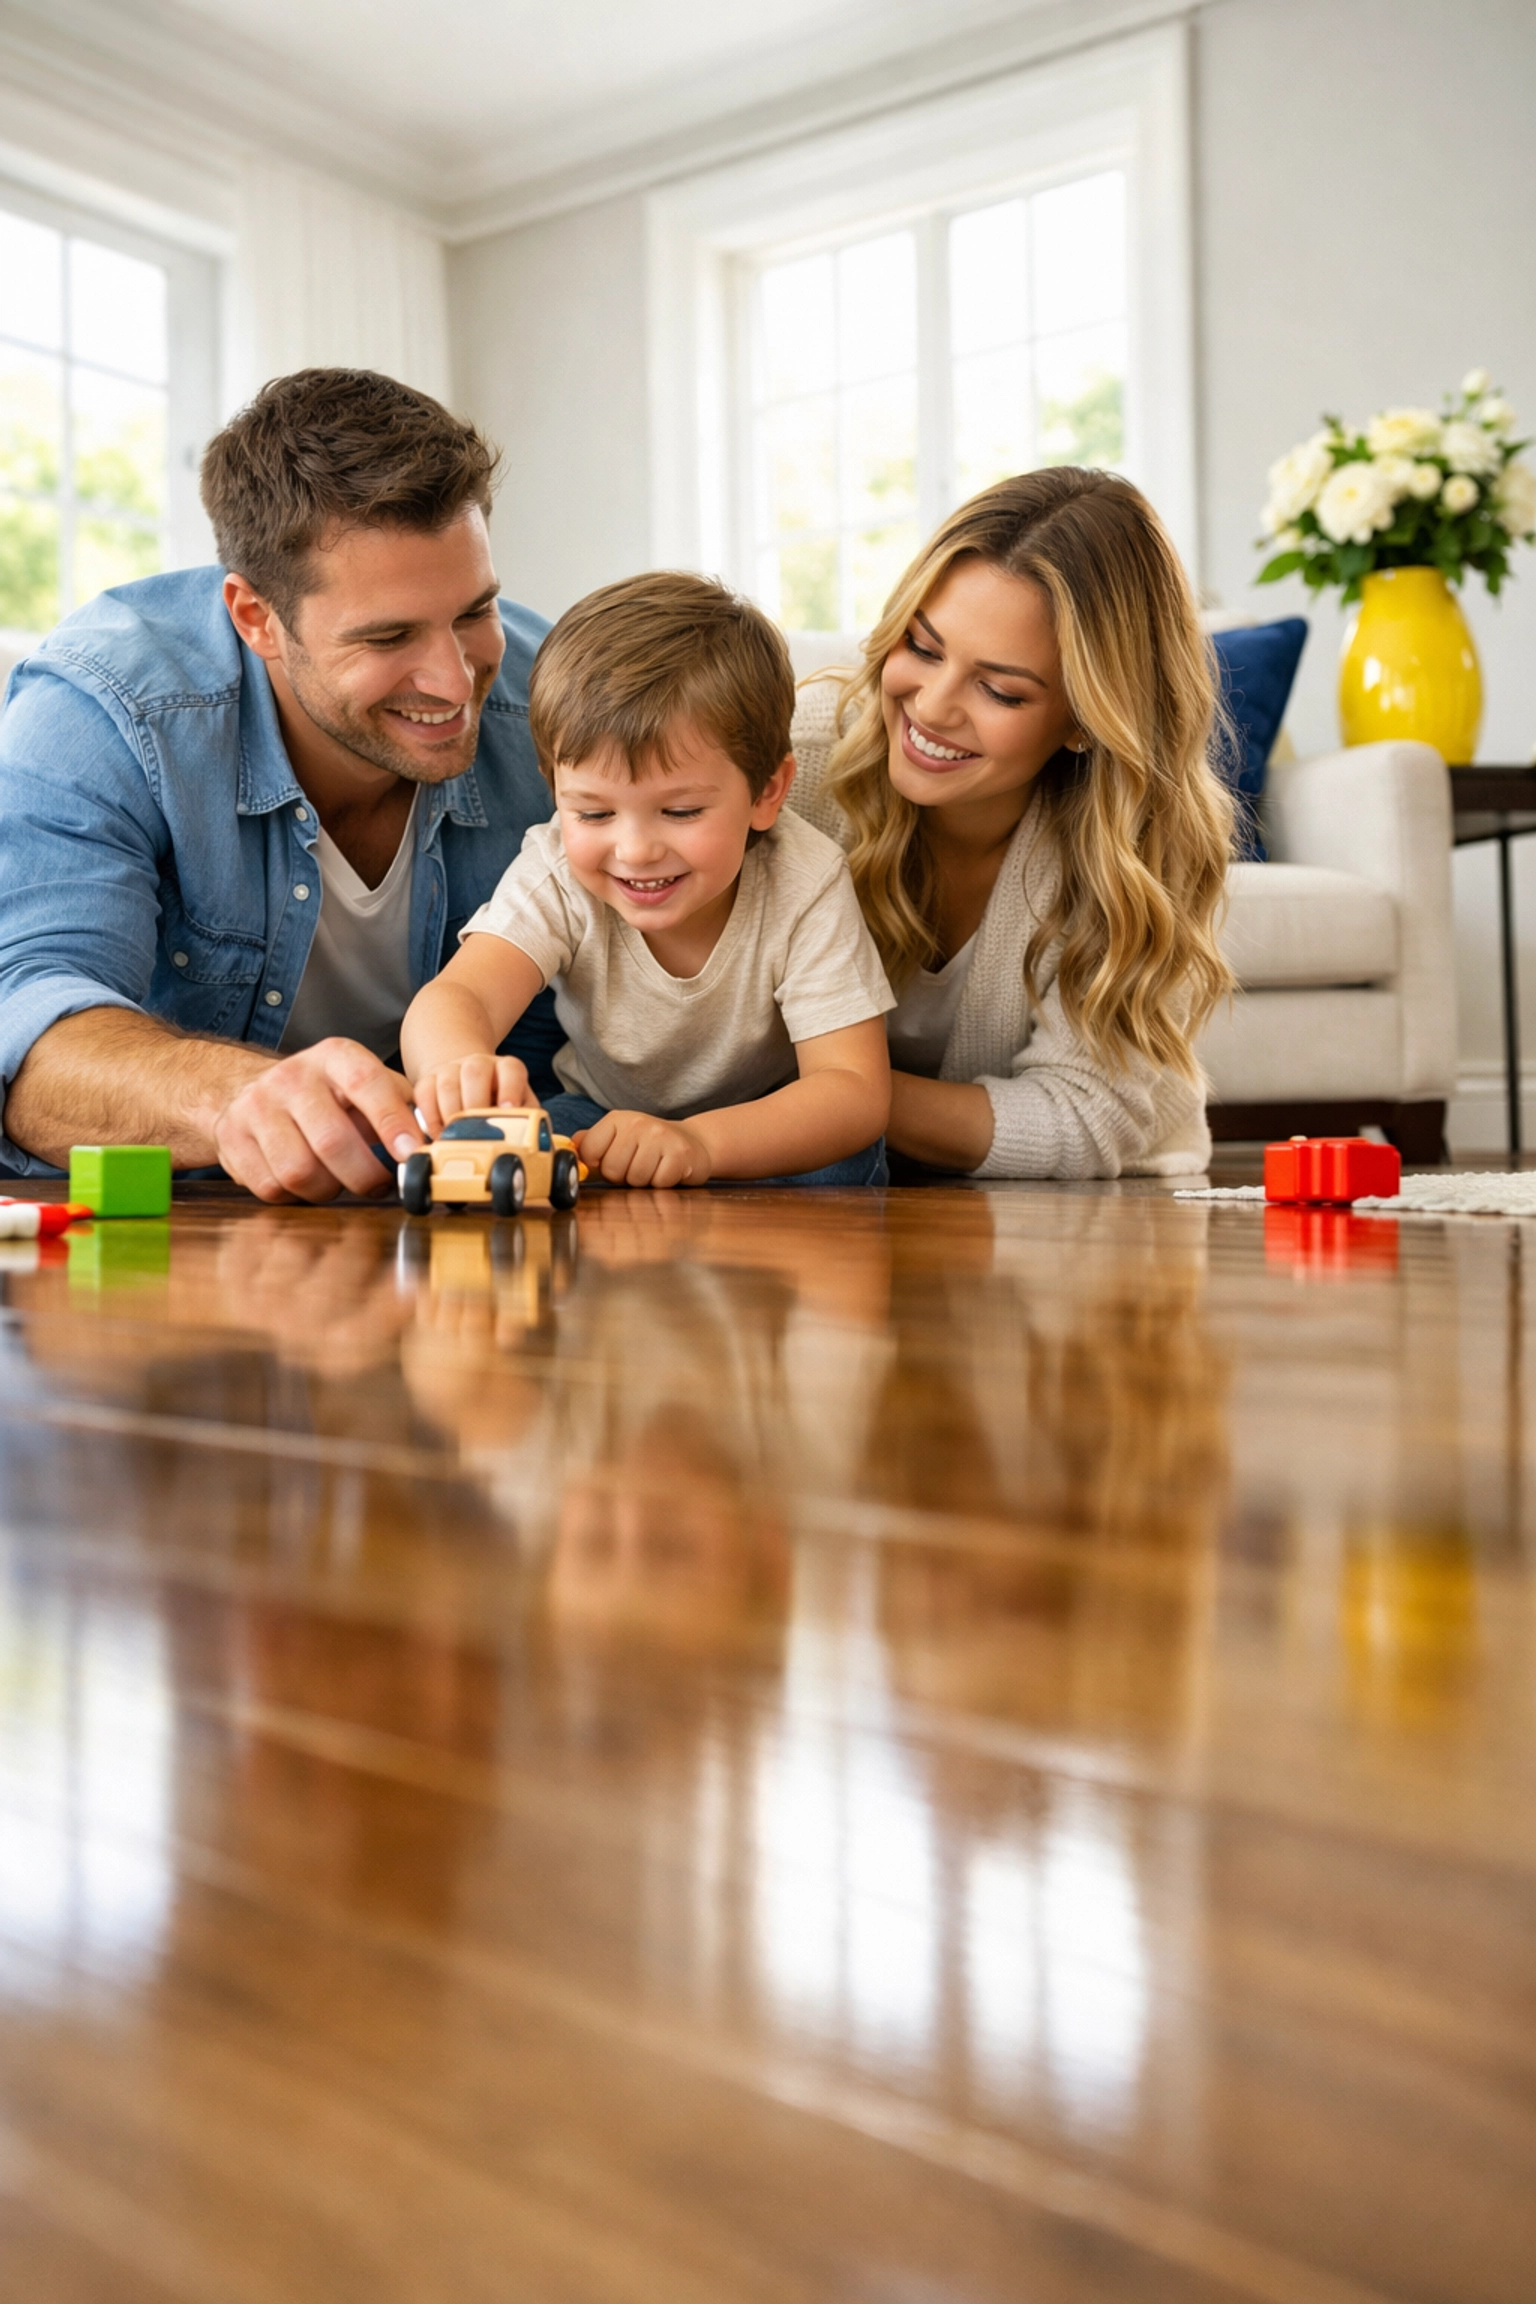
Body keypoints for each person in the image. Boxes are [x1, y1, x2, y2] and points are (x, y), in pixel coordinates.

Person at [0, 367, 561, 1201]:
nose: (454, 681)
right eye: (389, 635)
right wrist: (233, 1097)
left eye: (474, 612)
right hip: (192, 1246)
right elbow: (28, 1029)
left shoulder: (557, 707)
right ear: (256, 616)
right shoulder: (105, 706)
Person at [789, 467, 1236, 1179]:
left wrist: (836, 1096)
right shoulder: (804, 761)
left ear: (1088, 721)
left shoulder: (1137, 844)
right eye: (924, 648)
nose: (931, 707)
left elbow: (1084, 1116)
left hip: (1091, 1222)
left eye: (999, 689)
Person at [402, 573, 893, 1187]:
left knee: (843, 1162)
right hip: (604, 1117)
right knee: (536, 1153)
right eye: (594, 813)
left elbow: (851, 1090)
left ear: (767, 792)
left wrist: (700, 1145)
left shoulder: (806, 882)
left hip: (762, 1124)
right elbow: (458, 997)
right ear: (555, 790)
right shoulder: (557, 870)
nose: (634, 851)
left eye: (681, 812)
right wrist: (459, 1068)